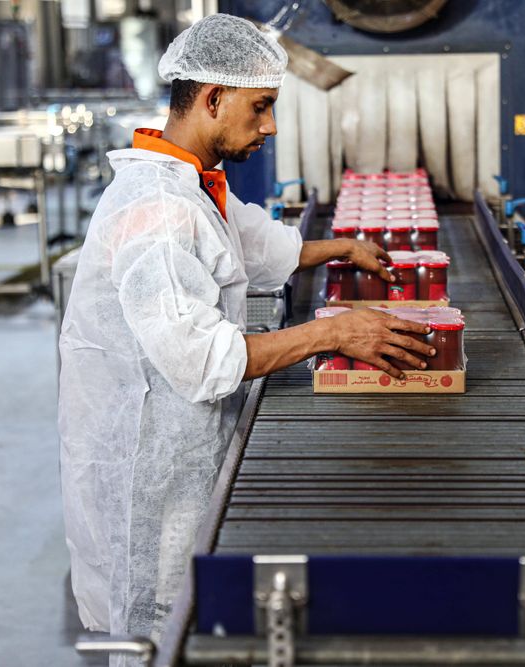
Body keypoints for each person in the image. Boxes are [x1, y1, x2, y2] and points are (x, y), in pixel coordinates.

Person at [57, 12, 436, 653]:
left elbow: (253, 245)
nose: (271, 125)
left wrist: (340, 246)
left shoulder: (192, 180)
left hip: (186, 445)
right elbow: (202, 360)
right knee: (162, 627)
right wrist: (333, 332)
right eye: (260, 108)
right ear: (212, 98)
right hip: (152, 465)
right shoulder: (158, 211)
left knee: (204, 618)